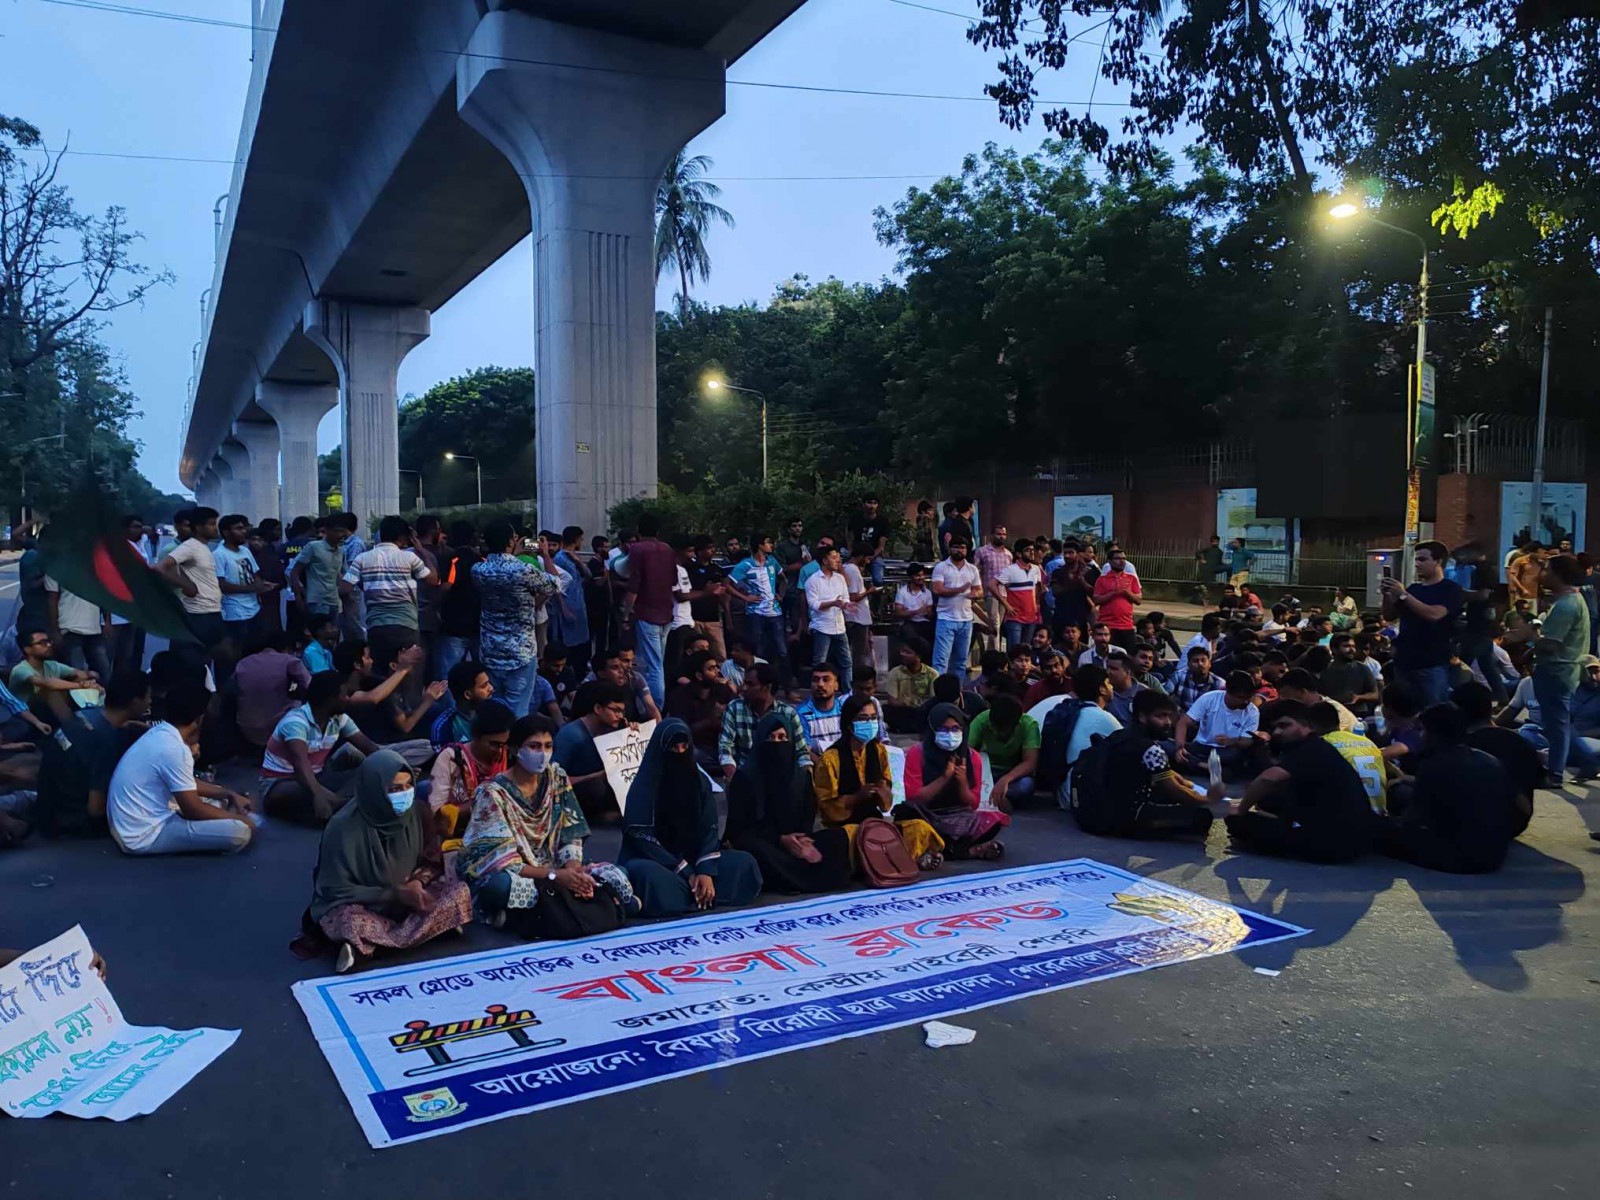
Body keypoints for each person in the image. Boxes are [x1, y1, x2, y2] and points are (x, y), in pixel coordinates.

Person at [458, 714, 639, 931]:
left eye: (548, 746)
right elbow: (502, 860)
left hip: (557, 865)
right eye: (534, 746)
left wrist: (574, 872)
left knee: (617, 874)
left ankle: (536, 914)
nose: (542, 754)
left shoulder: (557, 778)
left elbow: (570, 832)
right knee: (499, 887)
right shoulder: (492, 793)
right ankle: (579, 906)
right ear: (515, 750)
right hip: (523, 874)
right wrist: (557, 877)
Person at [303, 750, 472, 973]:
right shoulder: (342, 827)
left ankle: (366, 948)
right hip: (366, 902)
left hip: (409, 899)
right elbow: (333, 889)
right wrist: (393, 894)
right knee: (348, 920)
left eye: (408, 785)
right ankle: (422, 934)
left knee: (459, 892)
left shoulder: (417, 812)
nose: (405, 794)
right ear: (374, 790)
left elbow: (431, 860)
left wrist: (417, 884)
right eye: (394, 789)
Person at [620, 718, 763, 916]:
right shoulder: (644, 787)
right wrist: (685, 871)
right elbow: (642, 837)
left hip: (697, 860)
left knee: (744, 863)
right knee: (644, 874)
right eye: (673, 748)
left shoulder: (699, 781)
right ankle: (701, 894)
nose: (679, 753)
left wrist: (705, 871)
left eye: (684, 747)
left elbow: (710, 827)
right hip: (662, 863)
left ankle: (696, 892)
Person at [107, 679, 255, 855]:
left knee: (218, 802)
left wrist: (228, 793)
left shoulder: (162, 733)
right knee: (239, 832)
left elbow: (185, 782)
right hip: (144, 835)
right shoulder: (175, 749)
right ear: (199, 720)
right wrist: (243, 821)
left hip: (128, 824)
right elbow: (193, 810)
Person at [1379, 703, 1528, 873]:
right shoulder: (1489, 760)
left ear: (1434, 735)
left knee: (1380, 829)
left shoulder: (1434, 766)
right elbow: (1522, 805)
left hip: (1460, 858)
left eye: (1423, 730)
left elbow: (1413, 820)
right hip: (1496, 855)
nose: (1421, 735)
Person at [1224, 700, 1373, 863]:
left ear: (1307, 726)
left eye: (1284, 725)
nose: (1277, 732)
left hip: (1333, 844)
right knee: (1268, 801)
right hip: (1349, 833)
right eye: (1274, 728)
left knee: (1237, 822)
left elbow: (1268, 779)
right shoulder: (1316, 746)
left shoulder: (1311, 749)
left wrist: (1241, 809)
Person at [811, 692, 944, 868]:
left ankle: (888, 859)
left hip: (874, 824)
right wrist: (857, 797)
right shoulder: (830, 759)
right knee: (845, 841)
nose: (869, 724)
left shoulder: (879, 751)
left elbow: (886, 804)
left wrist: (883, 794)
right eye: (863, 719)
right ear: (850, 724)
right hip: (845, 828)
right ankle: (902, 859)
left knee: (919, 828)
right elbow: (827, 809)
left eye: (873, 718)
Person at [725, 712, 851, 893]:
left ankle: (795, 877)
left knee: (837, 838)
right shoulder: (745, 778)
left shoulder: (801, 778)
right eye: (772, 738)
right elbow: (739, 830)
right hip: (767, 843)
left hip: (797, 842)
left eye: (783, 738)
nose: (778, 744)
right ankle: (802, 879)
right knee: (754, 850)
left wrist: (802, 841)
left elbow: (807, 819)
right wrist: (781, 840)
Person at [1072, 690, 1217, 839]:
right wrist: (1208, 799)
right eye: (1160, 716)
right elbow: (1173, 790)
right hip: (1125, 817)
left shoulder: (1120, 735)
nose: (1167, 722)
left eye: (1169, 716)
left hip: (1096, 813)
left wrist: (1186, 784)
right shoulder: (1150, 749)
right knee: (1202, 816)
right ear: (1142, 717)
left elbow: (1167, 774)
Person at [1503, 553, 1594, 783]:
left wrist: (1531, 637)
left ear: (1558, 575)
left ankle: (1557, 773)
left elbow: (1552, 644)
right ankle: (1584, 762)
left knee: (1557, 724)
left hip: (1557, 671)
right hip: (1563, 671)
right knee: (1558, 722)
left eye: (1546, 571)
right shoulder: (1573, 599)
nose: (1541, 575)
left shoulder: (1565, 605)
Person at [32, 670, 150, 839]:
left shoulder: (87, 714)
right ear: (135, 701)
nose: (150, 701)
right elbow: (95, 810)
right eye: (148, 697)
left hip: (47, 806)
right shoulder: (106, 740)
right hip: (68, 823)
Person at [259, 671, 381, 823]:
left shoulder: (339, 719)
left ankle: (341, 804)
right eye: (344, 695)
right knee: (308, 795)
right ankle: (342, 804)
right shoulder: (296, 722)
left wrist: (397, 769)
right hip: (281, 783)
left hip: (317, 777)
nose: (348, 699)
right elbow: (300, 764)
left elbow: (369, 747)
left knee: (365, 774)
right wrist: (318, 795)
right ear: (330, 700)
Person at [472, 518, 558, 717]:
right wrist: (545, 554)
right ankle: (515, 745)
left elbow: (500, 572)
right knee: (518, 708)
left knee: (494, 707)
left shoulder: (478, 570)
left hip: (490, 649)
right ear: (511, 542)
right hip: (521, 652)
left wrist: (513, 555)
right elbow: (555, 584)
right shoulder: (523, 570)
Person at [901, 703, 1007, 859]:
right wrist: (944, 778)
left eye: (956, 729)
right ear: (932, 729)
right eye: (943, 729)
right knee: (909, 820)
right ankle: (969, 851)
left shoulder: (972, 757)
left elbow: (973, 803)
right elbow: (914, 797)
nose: (950, 734)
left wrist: (962, 782)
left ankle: (944, 850)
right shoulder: (917, 753)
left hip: (960, 817)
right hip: (927, 815)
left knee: (992, 821)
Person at [342, 516, 432, 672]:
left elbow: (344, 589)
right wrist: (421, 551)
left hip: (377, 626)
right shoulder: (409, 557)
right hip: (406, 625)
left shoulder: (362, 558)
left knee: (380, 675)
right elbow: (433, 579)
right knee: (408, 676)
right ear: (402, 537)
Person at [1381, 540, 1464, 707]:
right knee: (1405, 709)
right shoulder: (1413, 589)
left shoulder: (1450, 589)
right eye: (1416, 560)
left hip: (1432, 663)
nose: (1417, 564)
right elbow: (1389, 615)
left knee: (1434, 711)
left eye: (1423, 559)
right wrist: (1388, 595)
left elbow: (1435, 614)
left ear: (1438, 561)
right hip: (1404, 662)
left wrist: (1404, 595)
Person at [427, 700, 513, 841]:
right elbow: (437, 813)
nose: (500, 750)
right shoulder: (451, 758)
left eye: (504, 744)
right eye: (493, 744)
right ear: (476, 736)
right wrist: (483, 801)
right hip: (461, 838)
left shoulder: (509, 755)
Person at [1453, 682, 1540, 820]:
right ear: (1489, 707)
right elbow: (1539, 779)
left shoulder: (1459, 746)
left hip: (1470, 822)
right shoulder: (1520, 741)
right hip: (1515, 820)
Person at [622, 512, 680, 707]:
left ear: (639, 531)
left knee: (653, 666)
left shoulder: (638, 549)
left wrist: (626, 612)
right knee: (658, 664)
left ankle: (655, 709)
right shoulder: (667, 549)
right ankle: (655, 706)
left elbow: (634, 585)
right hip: (666, 612)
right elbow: (673, 580)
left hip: (647, 614)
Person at [552, 680, 631, 822]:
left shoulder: (612, 729)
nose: (620, 716)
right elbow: (552, 780)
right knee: (595, 787)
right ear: (598, 709)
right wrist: (596, 776)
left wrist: (631, 735)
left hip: (603, 792)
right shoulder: (572, 735)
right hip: (574, 794)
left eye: (622, 711)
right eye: (615, 710)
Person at [718, 662, 808, 778]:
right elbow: (725, 748)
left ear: (767, 687)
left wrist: (804, 780)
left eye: (750, 684)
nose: (744, 688)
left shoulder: (788, 713)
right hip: (745, 775)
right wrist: (736, 780)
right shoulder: (735, 708)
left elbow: (801, 753)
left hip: (780, 778)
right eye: (744, 682)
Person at [155, 506, 225, 652]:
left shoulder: (202, 547)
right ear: (199, 527)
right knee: (193, 660)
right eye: (211, 524)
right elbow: (159, 568)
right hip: (198, 615)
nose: (215, 529)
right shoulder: (190, 547)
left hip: (211, 611)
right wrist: (187, 586)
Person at [1175, 670, 1263, 779]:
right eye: (1240, 697)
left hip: (1225, 751)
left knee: (1236, 756)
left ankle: (1196, 765)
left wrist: (1231, 741)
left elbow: (1247, 741)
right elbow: (1183, 722)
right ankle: (1207, 767)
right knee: (1168, 746)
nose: (1246, 702)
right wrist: (1180, 747)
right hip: (1201, 746)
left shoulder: (1252, 712)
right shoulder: (1210, 698)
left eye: (1249, 698)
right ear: (1228, 692)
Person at [232, 629, 312, 749]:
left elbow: (229, 691)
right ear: (287, 649)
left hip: (245, 727)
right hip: (279, 728)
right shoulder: (290, 661)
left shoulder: (243, 663)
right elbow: (312, 686)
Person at [1308, 701, 1390, 814]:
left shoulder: (1321, 745)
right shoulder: (1366, 741)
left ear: (1311, 726)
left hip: (1351, 819)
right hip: (1380, 815)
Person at [10, 629, 102, 726]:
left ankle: (92, 720)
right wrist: (80, 685)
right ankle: (72, 727)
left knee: (81, 680)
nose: (49, 645)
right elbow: (47, 683)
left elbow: (85, 674)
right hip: (25, 714)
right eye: (42, 643)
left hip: (49, 711)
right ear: (27, 649)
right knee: (50, 691)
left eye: (49, 641)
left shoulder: (52, 665)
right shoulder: (20, 670)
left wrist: (90, 682)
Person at [727, 534, 787, 682]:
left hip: (775, 611)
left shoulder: (772, 562)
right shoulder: (746, 565)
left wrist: (781, 594)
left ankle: (786, 686)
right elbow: (727, 583)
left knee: (782, 650)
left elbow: (783, 578)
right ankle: (757, 683)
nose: (771, 545)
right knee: (758, 650)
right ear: (759, 545)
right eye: (768, 542)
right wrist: (746, 597)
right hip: (755, 613)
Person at [666, 649, 736, 772]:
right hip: (698, 748)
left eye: (716, 667)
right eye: (711, 669)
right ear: (699, 675)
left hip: (723, 746)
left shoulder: (723, 690)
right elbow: (682, 731)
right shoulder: (680, 696)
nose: (717, 672)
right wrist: (710, 721)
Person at [967, 692, 1040, 808]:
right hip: (986, 772)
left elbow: (1030, 762)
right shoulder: (981, 720)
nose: (997, 733)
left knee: (1026, 785)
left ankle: (997, 798)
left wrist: (1006, 779)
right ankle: (995, 797)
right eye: (995, 728)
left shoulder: (1029, 725)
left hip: (1013, 774)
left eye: (1003, 729)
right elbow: (967, 752)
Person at [213, 513, 274, 649]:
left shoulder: (245, 551)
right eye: (238, 528)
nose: (243, 532)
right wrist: (253, 588)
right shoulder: (219, 555)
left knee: (256, 650)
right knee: (237, 652)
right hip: (235, 613)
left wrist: (262, 586)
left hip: (254, 609)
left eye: (244, 528)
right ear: (226, 532)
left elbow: (254, 573)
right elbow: (221, 585)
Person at [43, 575, 113, 687]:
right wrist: (55, 631)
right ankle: (74, 703)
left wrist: (107, 621)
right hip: (69, 628)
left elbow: (103, 595)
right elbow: (52, 600)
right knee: (76, 675)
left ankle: (102, 702)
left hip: (94, 629)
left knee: (103, 671)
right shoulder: (55, 567)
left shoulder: (94, 564)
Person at [929, 535, 983, 678]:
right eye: (956, 547)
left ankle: (958, 693)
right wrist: (961, 589)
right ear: (950, 549)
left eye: (962, 547)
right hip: (946, 619)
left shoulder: (972, 569)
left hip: (966, 620)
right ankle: (937, 692)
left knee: (960, 661)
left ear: (967, 550)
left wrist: (975, 594)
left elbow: (979, 590)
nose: (959, 550)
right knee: (941, 661)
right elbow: (937, 589)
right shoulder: (941, 567)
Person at [436, 522, 483, 679]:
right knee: (481, 670)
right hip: (478, 623)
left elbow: (446, 587)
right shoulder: (481, 560)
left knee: (448, 672)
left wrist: (437, 607)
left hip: (453, 624)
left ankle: (449, 703)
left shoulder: (450, 560)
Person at [804, 544, 854, 684]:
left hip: (839, 625)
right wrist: (833, 603)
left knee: (846, 662)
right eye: (834, 557)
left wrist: (847, 605)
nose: (838, 560)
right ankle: (816, 690)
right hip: (822, 626)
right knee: (819, 662)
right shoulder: (813, 581)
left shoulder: (840, 578)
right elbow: (813, 605)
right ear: (824, 561)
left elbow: (845, 598)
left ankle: (847, 693)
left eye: (838, 557)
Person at [290, 516, 348, 626]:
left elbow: (337, 575)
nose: (340, 535)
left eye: (342, 531)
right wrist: (298, 596)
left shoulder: (341, 552)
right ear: (327, 531)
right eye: (337, 531)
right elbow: (295, 572)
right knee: (319, 634)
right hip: (316, 600)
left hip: (334, 601)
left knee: (333, 634)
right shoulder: (313, 547)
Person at [428, 659, 499, 749]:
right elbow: (444, 761)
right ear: (468, 694)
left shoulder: (498, 711)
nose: (491, 688)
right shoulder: (442, 727)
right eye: (484, 686)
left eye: (489, 683)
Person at [993, 538, 1044, 651]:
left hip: (1031, 617)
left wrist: (1037, 604)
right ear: (1019, 554)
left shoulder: (1035, 569)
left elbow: (1038, 587)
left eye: (1032, 550)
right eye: (1027, 550)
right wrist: (1007, 606)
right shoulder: (1010, 570)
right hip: (1015, 618)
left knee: (1027, 650)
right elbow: (991, 585)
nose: (1031, 552)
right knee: (1014, 650)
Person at [973, 525, 1013, 658]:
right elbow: (975, 571)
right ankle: (994, 655)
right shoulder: (982, 551)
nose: (1001, 536)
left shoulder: (1008, 554)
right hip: (990, 593)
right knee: (994, 623)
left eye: (1003, 534)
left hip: (1005, 594)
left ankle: (992, 654)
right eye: (998, 534)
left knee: (999, 625)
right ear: (992, 535)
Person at [1092, 545, 1142, 651]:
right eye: (1118, 559)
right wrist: (1113, 593)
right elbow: (1096, 600)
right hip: (1108, 626)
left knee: (1129, 656)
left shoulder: (1131, 578)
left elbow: (1138, 600)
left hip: (1127, 625)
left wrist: (1126, 592)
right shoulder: (1102, 579)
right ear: (1109, 561)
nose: (1122, 561)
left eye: (1124, 559)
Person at [1049, 539, 1100, 642]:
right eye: (1065, 553)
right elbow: (1055, 592)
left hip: (1081, 617)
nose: (1067, 556)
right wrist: (1072, 581)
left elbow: (1094, 594)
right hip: (1061, 615)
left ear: (1078, 554)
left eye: (1071, 553)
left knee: (1081, 648)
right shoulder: (1058, 572)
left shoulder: (1090, 572)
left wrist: (1082, 581)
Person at [795, 661, 848, 756]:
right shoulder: (801, 713)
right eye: (815, 680)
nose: (820, 684)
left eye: (826, 680)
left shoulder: (845, 709)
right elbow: (805, 750)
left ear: (836, 686)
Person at [1320, 633, 1382, 713]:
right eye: (1346, 646)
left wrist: (1359, 697)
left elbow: (1375, 694)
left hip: (1358, 713)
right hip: (1333, 713)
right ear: (1334, 649)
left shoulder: (1362, 668)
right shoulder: (1325, 670)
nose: (1352, 650)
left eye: (1353, 646)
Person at [842, 544, 877, 667]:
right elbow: (853, 597)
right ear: (861, 556)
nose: (868, 562)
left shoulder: (847, 567)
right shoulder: (852, 570)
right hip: (857, 619)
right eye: (867, 558)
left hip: (857, 617)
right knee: (859, 652)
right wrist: (869, 591)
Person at [848, 496, 890, 586]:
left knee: (878, 580)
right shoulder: (856, 519)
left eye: (875, 503)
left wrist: (870, 556)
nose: (872, 506)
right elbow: (850, 536)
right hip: (856, 554)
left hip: (874, 555)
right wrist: (851, 551)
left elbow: (881, 547)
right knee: (848, 575)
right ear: (863, 504)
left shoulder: (883, 522)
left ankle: (876, 597)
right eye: (869, 502)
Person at [894, 561, 936, 647]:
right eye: (917, 575)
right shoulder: (902, 592)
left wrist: (928, 613)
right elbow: (899, 613)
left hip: (925, 622)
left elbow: (930, 613)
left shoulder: (927, 592)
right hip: (909, 622)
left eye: (922, 575)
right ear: (911, 577)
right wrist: (916, 611)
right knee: (910, 634)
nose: (921, 577)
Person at [1170, 644, 1224, 710]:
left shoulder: (1219, 684)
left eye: (1203, 660)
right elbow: (1163, 696)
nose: (1200, 664)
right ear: (1188, 665)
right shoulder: (1179, 676)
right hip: (1182, 716)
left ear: (1210, 664)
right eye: (1195, 661)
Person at [1105, 653, 1147, 725]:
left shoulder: (1144, 693)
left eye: (1114, 669)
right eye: (1107, 667)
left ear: (1128, 672)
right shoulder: (1104, 693)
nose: (1108, 672)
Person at [913, 499, 937, 563]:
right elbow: (924, 536)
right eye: (929, 510)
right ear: (923, 511)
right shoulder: (925, 519)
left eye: (932, 510)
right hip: (926, 551)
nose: (932, 512)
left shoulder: (920, 519)